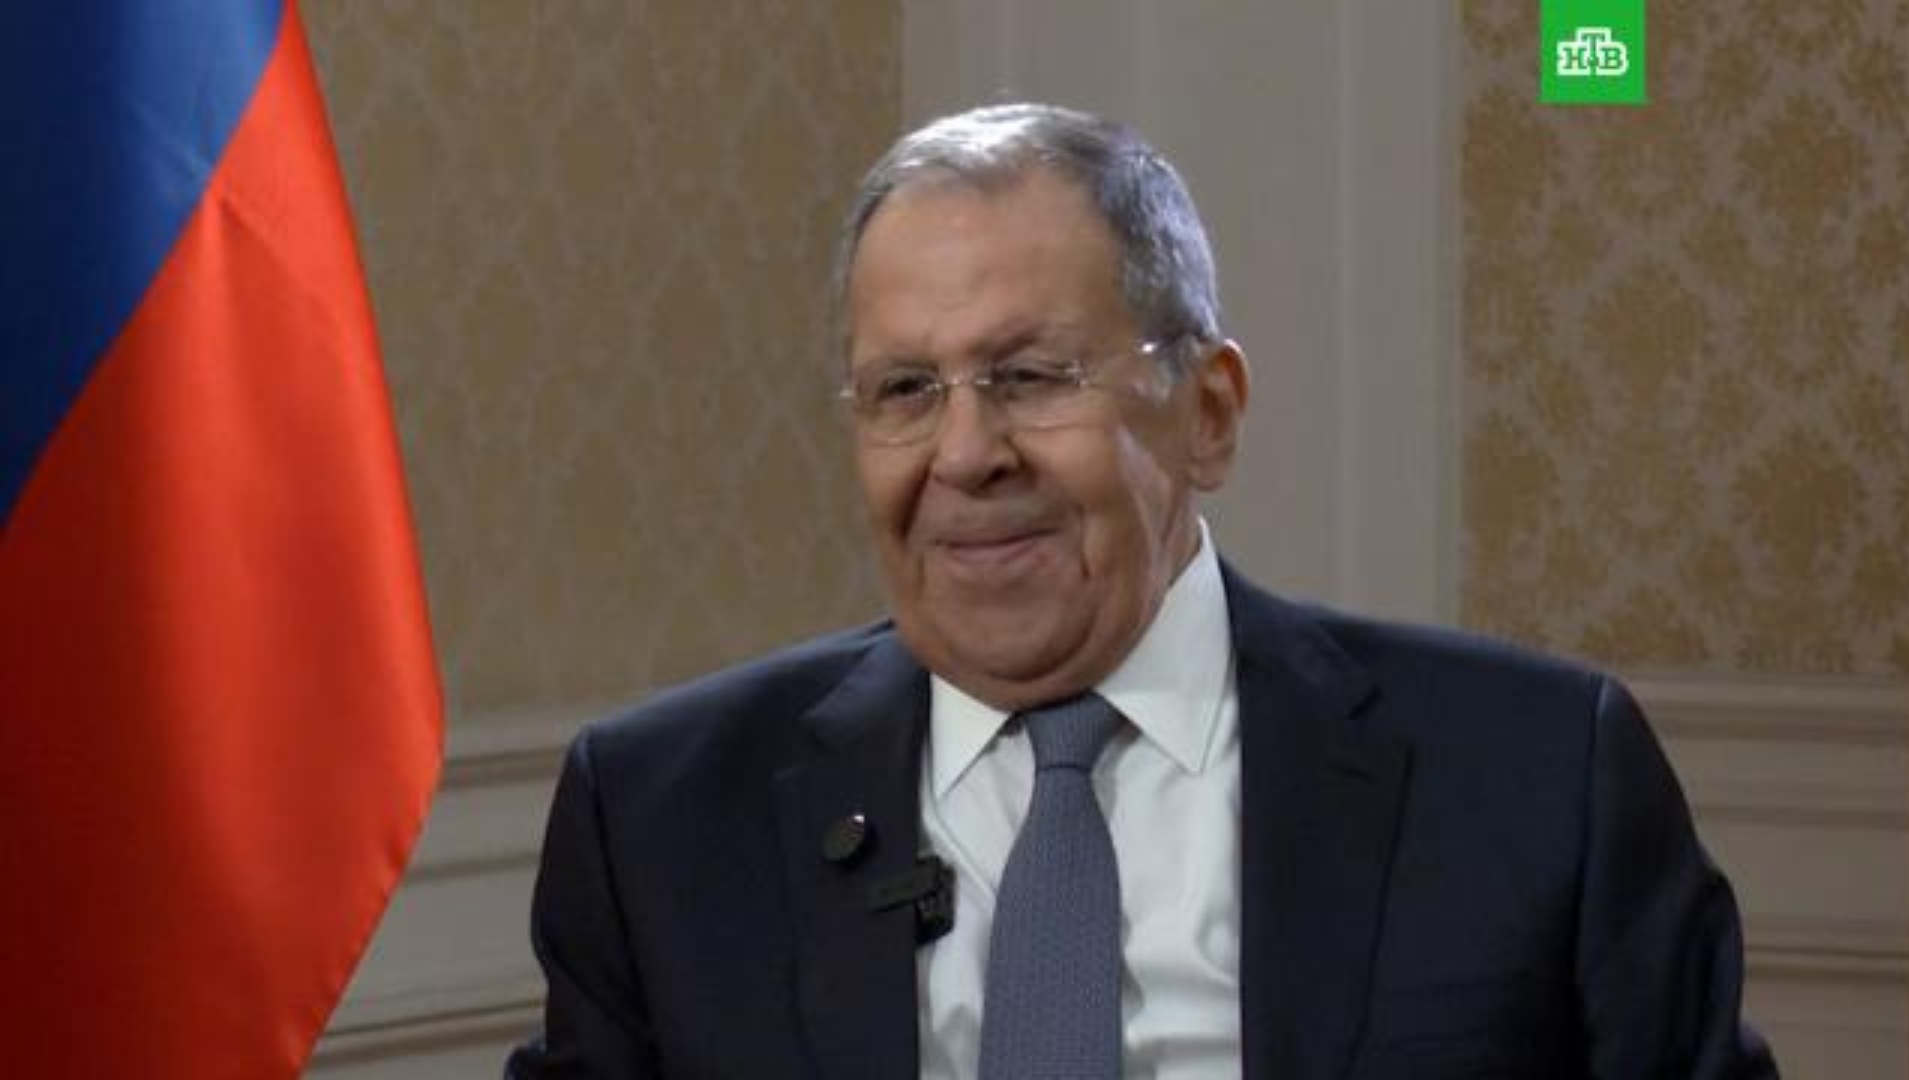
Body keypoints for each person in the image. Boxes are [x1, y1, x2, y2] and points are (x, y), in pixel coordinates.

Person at [506, 103, 1776, 1078]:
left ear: (1207, 414)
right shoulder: (663, 818)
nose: (965, 455)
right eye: (906, 391)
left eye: (1031, 376)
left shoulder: (1540, 777)